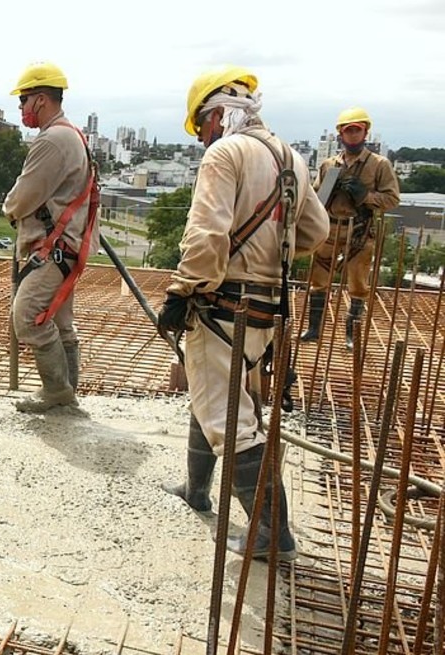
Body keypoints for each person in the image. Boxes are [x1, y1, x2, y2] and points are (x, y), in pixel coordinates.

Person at [157, 66, 328, 562]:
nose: (202, 138)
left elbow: (206, 234)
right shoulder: (290, 156)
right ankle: (195, 489)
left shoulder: (226, 152)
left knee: (226, 418)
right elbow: (315, 232)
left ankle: (273, 535)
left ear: (216, 114)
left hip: (223, 304)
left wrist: (182, 289)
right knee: (212, 391)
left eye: (202, 127)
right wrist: (266, 252)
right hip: (265, 310)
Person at [1, 62, 98, 413]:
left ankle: (58, 392)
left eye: (23, 100)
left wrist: (8, 209)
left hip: (51, 247)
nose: (22, 109)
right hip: (65, 246)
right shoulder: (72, 134)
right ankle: (67, 398)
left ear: (41, 100)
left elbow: (24, 195)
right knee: (59, 322)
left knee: (27, 316)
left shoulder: (53, 140)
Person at [298, 107, 400, 349]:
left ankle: (351, 334)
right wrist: (326, 194)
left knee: (357, 283)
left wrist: (366, 196)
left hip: (359, 230)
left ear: (365, 133)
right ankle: (314, 329)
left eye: (357, 130)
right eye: (348, 131)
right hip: (329, 228)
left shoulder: (378, 165)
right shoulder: (328, 165)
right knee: (318, 279)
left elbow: (392, 199)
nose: (352, 135)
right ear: (340, 135)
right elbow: (314, 197)